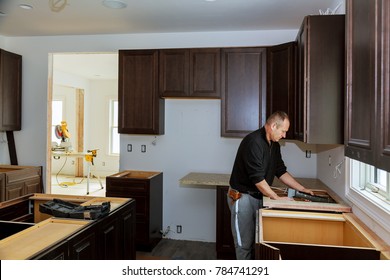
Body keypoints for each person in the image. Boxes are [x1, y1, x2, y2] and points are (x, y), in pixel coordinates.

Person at [227, 111, 314, 260]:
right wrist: (276, 198)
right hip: (243, 198)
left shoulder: (274, 145)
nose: (284, 135)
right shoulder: (253, 142)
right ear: (273, 126)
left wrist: (302, 189)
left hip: (259, 197)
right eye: (283, 131)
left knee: (257, 244)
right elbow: (258, 179)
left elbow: (280, 171)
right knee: (244, 246)